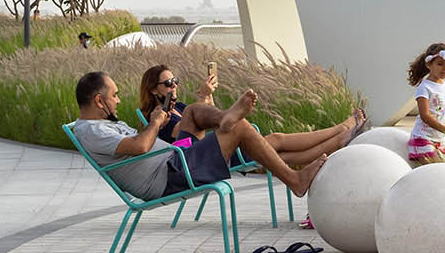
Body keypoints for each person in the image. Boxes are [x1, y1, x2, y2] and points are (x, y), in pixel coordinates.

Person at [69, 70, 328, 202]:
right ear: (99, 100)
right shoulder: (93, 131)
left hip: (177, 158)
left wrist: (158, 123)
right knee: (241, 128)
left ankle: (225, 117)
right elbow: (139, 146)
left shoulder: (101, 125)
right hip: (170, 175)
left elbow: (139, 144)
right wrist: (156, 123)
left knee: (192, 110)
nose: (118, 100)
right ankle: (295, 180)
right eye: (114, 95)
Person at [138, 62, 364, 172]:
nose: (173, 86)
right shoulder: (155, 117)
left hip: (216, 147)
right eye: (167, 84)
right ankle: (341, 129)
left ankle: (338, 140)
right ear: (153, 90)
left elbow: (211, 122)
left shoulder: (181, 106)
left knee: (283, 155)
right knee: (275, 139)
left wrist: (207, 98)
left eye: (175, 81)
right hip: (205, 159)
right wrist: (202, 99)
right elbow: (184, 138)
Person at [406, 44, 445, 166]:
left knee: (440, 171)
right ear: (429, 64)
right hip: (423, 138)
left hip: (440, 140)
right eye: (440, 64)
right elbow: (425, 116)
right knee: (434, 170)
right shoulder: (425, 87)